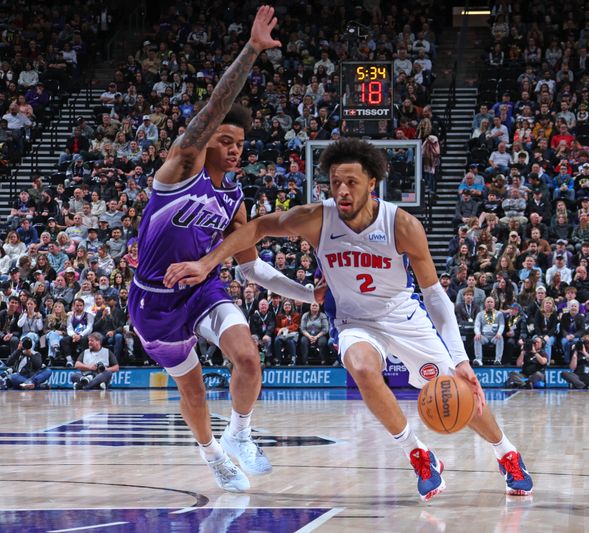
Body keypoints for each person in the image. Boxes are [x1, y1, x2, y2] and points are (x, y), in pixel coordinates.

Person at [165, 137, 533, 500]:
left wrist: (460, 360)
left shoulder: (402, 225)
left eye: (351, 182)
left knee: (457, 395)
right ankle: (418, 454)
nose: (341, 190)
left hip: (404, 317)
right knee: (360, 367)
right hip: (354, 322)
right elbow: (258, 228)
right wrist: (207, 262)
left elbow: (435, 296)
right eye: (335, 182)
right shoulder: (316, 219)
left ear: (373, 183)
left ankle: (507, 453)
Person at [127, 7, 322, 493]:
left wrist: (305, 294)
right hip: (154, 299)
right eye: (226, 140)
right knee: (190, 386)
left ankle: (238, 435)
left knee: (249, 358)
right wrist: (252, 50)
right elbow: (215, 106)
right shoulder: (178, 172)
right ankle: (210, 452)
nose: (235, 149)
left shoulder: (234, 198)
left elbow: (252, 267)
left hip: (203, 288)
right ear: (205, 141)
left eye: (240, 143)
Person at [473, 296, 505, 366]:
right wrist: (477, 333)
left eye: (491, 302)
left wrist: (499, 333)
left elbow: (502, 325)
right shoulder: (480, 314)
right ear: (485, 303)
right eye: (488, 302)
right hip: (484, 337)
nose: (489, 303)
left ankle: (498, 360)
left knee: (500, 338)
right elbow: (477, 325)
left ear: (494, 304)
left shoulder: (499, 314)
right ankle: (478, 360)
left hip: (495, 336)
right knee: (477, 338)